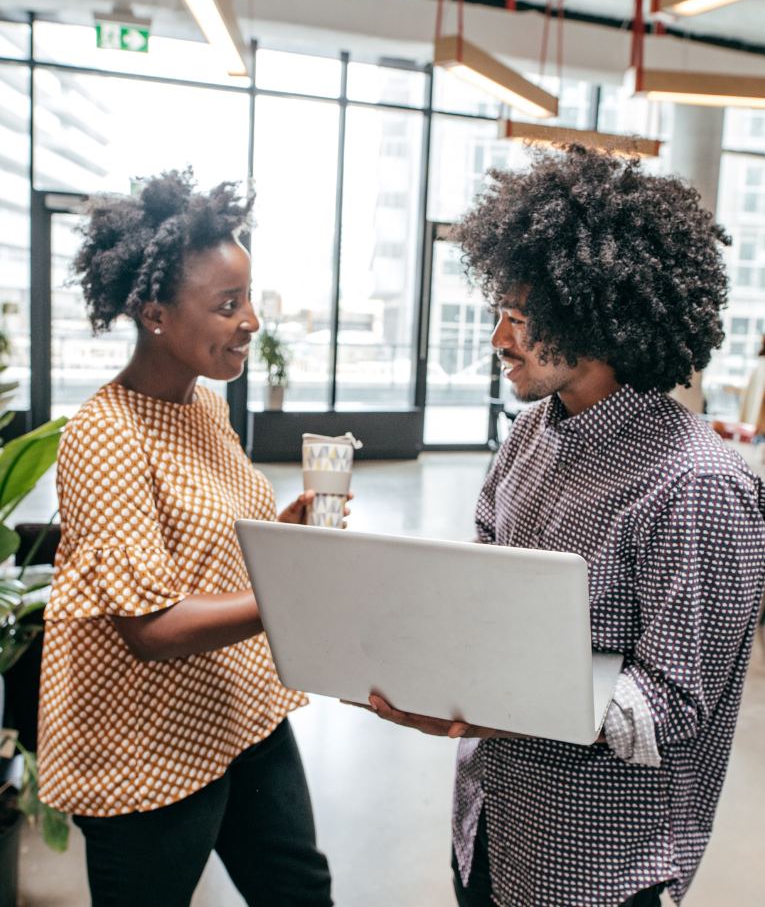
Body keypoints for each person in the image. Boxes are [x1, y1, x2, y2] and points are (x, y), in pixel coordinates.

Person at [358, 146, 765, 907]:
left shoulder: (698, 487)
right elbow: (481, 582)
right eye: (497, 313)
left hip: (596, 870)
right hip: (486, 825)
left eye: (519, 319)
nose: (497, 341)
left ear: (596, 314)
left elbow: (669, 704)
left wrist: (489, 703)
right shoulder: (530, 434)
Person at [37, 170, 340, 907]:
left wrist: (284, 534)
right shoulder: (105, 435)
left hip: (237, 707)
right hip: (146, 744)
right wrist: (286, 596)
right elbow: (152, 627)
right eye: (226, 305)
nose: (250, 323)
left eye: (249, 300)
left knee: (299, 891)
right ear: (155, 315)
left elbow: (212, 543)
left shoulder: (203, 408)